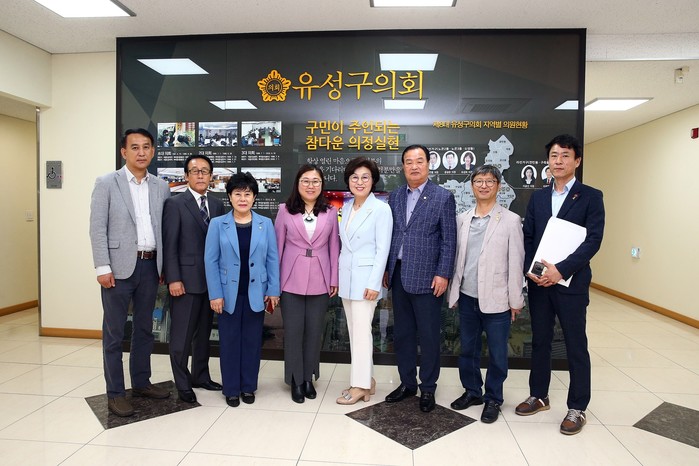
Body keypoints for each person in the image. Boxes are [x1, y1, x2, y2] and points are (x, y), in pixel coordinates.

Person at [515, 134, 605, 435]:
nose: (558, 161)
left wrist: (561, 270)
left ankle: (577, 407)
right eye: (554, 155)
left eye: (565, 155)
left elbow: (593, 241)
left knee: (575, 344)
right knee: (540, 340)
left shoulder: (591, 196)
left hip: (571, 283)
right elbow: (529, 236)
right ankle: (538, 395)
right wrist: (532, 270)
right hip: (540, 282)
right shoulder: (539, 197)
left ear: (577, 161)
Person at [89, 128, 171, 417]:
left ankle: (141, 382)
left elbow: (163, 228)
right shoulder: (106, 183)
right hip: (117, 268)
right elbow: (97, 228)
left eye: (146, 147)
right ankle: (115, 393)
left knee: (145, 329)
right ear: (124, 152)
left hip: (150, 266)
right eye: (134, 147)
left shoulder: (161, 186)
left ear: (153, 151)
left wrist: (164, 265)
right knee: (114, 334)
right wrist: (102, 267)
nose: (141, 152)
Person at [446, 165, 524, 423]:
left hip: (498, 299)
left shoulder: (510, 220)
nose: (484, 185)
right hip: (467, 296)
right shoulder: (462, 219)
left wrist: (515, 300)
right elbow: (457, 260)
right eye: (479, 181)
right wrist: (454, 292)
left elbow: (516, 263)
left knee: (498, 354)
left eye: (490, 181)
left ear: (498, 186)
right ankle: (472, 391)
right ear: (472, 186)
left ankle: (493, 398)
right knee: (468, 349)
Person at [383, 144, 457, 413]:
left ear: (428, 164)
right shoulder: (395, 196)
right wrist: (386, 268)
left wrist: (443, 273)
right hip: (399, 274)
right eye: (409, 162)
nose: (414, 166)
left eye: (419, 161)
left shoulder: (443, 197)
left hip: (428, 278)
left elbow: (449, 240)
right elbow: (391, 235)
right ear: (403, 166)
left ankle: (428, 387)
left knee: (428, 336)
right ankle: (407, 383)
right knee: (403, 334)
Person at [204, 172, 280, 407]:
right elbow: (210, 261)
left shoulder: (265, 224)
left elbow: (272, 259)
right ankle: (231, 389)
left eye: (248, 194)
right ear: (230, 197)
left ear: (254, 197)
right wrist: (215, 294)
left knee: (252, 342)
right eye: (238, 194)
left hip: (256, 292)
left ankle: (248, 387)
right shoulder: (218, 224)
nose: (243, 198)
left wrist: (273, 290)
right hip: (228, 295)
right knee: (229, 342)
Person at [274, 164, 340, 404]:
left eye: (315, 181)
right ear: (298, 183)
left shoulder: (330, 212)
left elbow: (334, 247)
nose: (311, 185)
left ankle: (309, 377)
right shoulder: (284, 210)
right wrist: (274, 284)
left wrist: (334, 278)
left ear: (322, 185)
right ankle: (295, 379)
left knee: (314, 332)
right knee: (293, 332)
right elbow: (277, 248)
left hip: (320, 278)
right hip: (290, 278)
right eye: (306, 180)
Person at [163, 155, 224, 404]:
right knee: (181, 337)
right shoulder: (175, 204)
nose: (200, 175)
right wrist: (173, 279)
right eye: (195, 171)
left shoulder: (217, 204)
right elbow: (170, 245)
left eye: (205, 171)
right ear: (186, 176)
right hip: (185, 282)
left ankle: (201, 376)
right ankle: (182, 383)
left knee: (203, 335)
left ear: (211, 176)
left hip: (211, 282)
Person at [337, 157, 392, 405]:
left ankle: (360, 386)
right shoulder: (346, 207)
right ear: (348, 181)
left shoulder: (380, 209)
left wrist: (374, 283)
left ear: (373, 181)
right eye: (354, 177)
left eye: (365, 177)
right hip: (347, 278)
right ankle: (366, 380)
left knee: (361, 334)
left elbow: (383, 249)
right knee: (355, 332)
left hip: (366, 281)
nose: (359, 182)